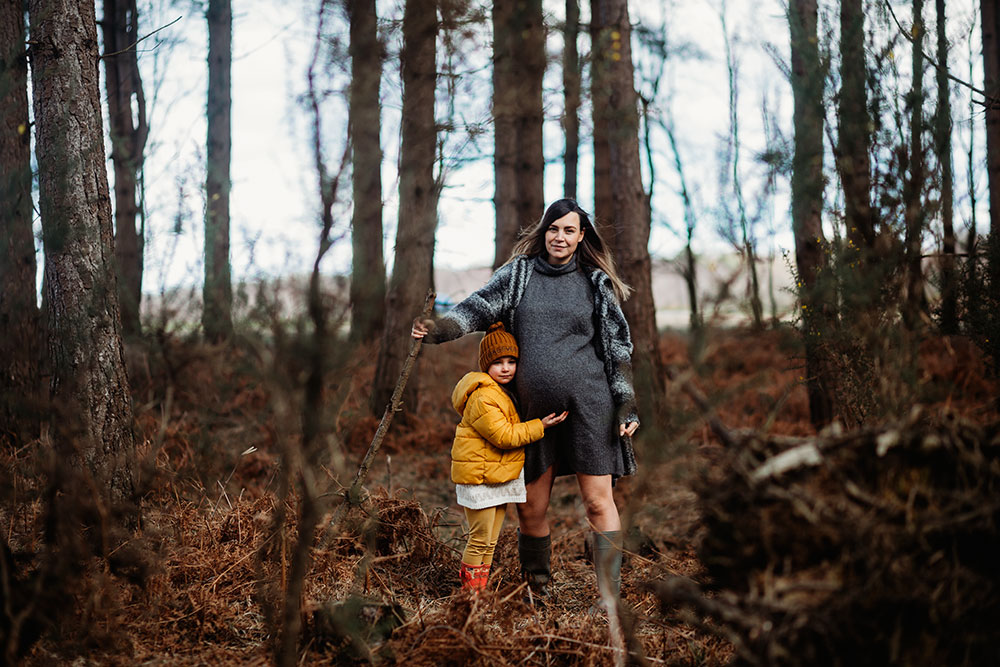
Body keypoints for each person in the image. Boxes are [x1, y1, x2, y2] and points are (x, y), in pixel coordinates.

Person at [412, 198, 639, 606]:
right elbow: (478, 307)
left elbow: (617, 348)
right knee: (531, 507)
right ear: (544, 231)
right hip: (532, 415)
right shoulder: (519, 274)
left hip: (591, 408)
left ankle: (610, 598)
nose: (560, 237)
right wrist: (439, 329)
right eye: (553, 228)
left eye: (569, 230)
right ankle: (538, 592)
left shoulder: (595, 282)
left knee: (597, 502)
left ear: (581, 236)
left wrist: (625, 403)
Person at [449, 322, 568, 591]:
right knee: (479, 539)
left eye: (511, 362)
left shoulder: (503, 392)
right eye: (498, 362)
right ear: (485, 365)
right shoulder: (483, 397)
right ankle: (469, 596)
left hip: (496, 477)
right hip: (479, 479)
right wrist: (540, 425)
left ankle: (479, 591)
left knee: (490, 541)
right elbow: (503, 436)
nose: (506, 368)